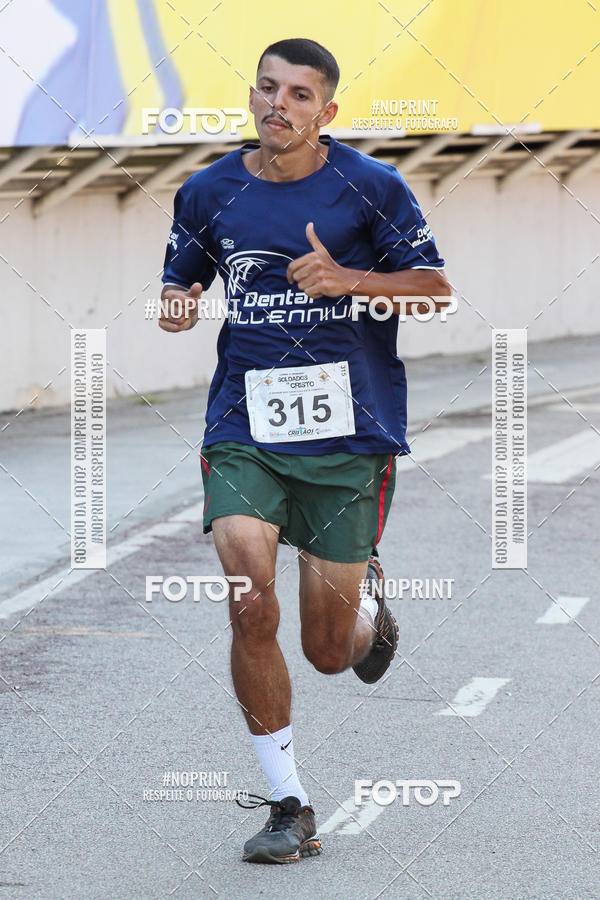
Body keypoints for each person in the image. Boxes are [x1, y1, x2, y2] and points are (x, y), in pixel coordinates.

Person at [159, 37, 451, 864]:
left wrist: (350, 279)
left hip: (348, 439)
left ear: (327, 111)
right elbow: (181, 278)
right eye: (267, 88)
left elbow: (435, 288)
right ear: (252, 96)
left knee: (328, 654)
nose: (277, 105)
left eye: (297, 94)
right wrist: (177, 301)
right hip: (244, 430)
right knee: (249, 599)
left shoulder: (372, 186)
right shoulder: (207, 190)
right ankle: (289, 803)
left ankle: (367, 615)